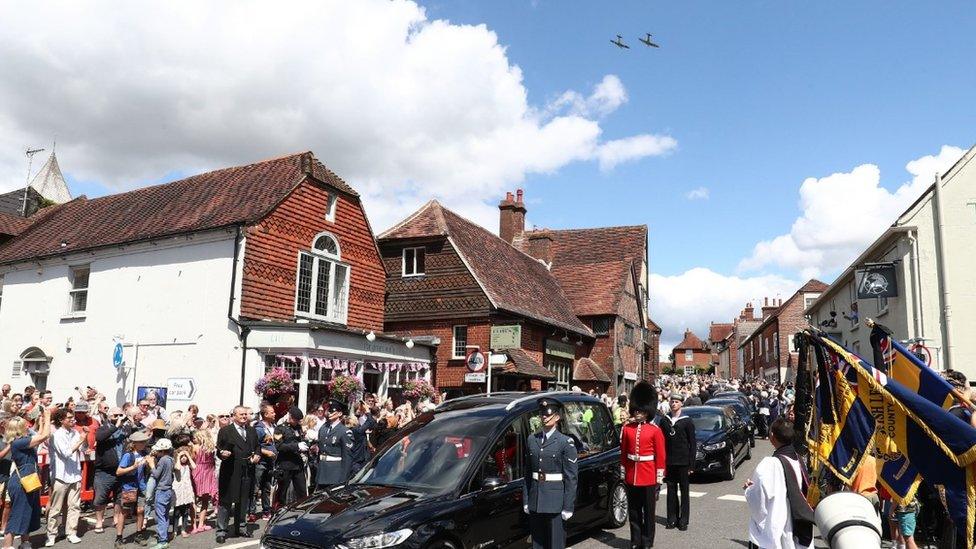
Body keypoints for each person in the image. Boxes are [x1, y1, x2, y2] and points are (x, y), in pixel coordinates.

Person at [744, 418, 814, 549]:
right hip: (798, 522)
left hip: (778, 522)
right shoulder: (798, 459)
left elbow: (758, 499)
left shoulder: (770, 464)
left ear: (772, 437)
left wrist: (748, 489)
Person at [522, 397, 578, 549]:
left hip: (556, 502)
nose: (544, 417)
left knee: (555, 544)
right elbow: (528, 473)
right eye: (542, 413)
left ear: (557, 417)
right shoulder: (532, 440)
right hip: (536, 500)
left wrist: (568, 506)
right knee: (537, 544)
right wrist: (526, 500)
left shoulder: (565, 442)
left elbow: (571, 478)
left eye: (548, 413)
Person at [620, 382, 666, 549]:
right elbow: (624, 453)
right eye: (636, 410)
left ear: (648, 412)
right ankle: (635, 541)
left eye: (641, 411)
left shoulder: (655, 431)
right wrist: (624, 472)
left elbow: (660, 456)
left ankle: (647, 542)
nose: (638, 413)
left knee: (648, 513)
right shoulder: (627, 429)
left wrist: (659, 478)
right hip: (632, 475)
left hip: (649, 475)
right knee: (634, 512)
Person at [3, 409, 51, 549]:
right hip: (21, 482)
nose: (27, 426)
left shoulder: (20, 441)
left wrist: (42, 421)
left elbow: (40, 435)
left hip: (28, 480)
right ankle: (7, 546)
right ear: (18, 428)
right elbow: (44, 436)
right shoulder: (19, 442)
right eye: (24, 425)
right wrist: (48, 417)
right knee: (18, 514)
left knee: (28, 512)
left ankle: (25, 543)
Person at [215, 406, 260, 544]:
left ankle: (241, 527)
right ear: (233, 416)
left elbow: (257, 446)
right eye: (241, 414)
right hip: (230, 471)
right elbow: (219, 449)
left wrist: (257, 455)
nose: (244, 416)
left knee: (244, 500)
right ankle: (221, 531)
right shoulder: (225, 431)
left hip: (247, 470)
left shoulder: (252, 431)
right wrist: (222, 454)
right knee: (226, 501)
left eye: (246, 414)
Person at [46, 408, 85, 546]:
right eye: (69, 418)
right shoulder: (56, 435)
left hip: (75, 474)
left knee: (74, 506)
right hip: (60, 475)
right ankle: (51, 534)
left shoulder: (75, 432)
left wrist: (83, 441)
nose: (73, 420)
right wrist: (80, 441)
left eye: (72, 417)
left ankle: (71, 532)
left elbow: (83, 449)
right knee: (56, 508)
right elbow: (66, 453)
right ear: (61, 420)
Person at [660, 392, 695, 531]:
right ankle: (671, 518)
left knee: (684, 491)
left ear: (681, 404)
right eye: (672, 401)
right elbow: (661, 442)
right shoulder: (664, 420)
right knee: (671, 490)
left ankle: (683, 520)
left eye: (676, 402)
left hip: (683, 461)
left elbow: (693, 443)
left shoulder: (687, 421)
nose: (673, 404)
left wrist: (692, 464)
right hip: (669, 461)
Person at [93, 407, 130, 533]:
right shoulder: (104, 427)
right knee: (100, 497)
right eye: (115, 415)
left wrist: (129, 420)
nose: (119, 417)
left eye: (121, 415)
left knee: (119, 497)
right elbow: (99, 437)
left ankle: (116, 518)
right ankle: (99, 521)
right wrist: (115, 426)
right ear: (109, 416)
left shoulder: (125, 428)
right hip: (105, 471)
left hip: (121, 469)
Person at [115, 431, 150, 548]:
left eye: (144, 441)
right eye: (141, 442)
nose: (144, 444)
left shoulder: (145, 454)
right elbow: (119, 472)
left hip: (142, 486)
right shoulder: (128, 455)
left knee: (141, 511)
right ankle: (119, 538)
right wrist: (133, 467)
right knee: (124, 512)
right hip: (129, 487)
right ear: (134, 443)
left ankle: (138, 534)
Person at [274, 407, 308, 508]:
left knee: (302, 490)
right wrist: (296, 446)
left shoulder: (298, 428)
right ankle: (278, 510)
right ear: (290, 416)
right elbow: (279, 446)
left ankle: (302, 510)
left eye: (298, 420)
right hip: (285, 464)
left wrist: (307, 445)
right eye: (295, 419)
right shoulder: (280, 428)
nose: (296, 422)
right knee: (282, 491)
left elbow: (302, 440)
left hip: (297, 464)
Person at [316, 400, 354, 490]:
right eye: (329, 411)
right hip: (322, 471)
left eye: (332, 411)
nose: (329, 413)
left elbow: (347, 457)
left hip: (335, 474)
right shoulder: (323, 428)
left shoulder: (344, 432)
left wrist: (343, 479)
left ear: (340, 413)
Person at [248, 403, 276, 521]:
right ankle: (251, 512)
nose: (274, 414)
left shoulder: (274, 426)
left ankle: (266, 511)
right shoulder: (258, 428)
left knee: (267, 487)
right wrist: (265, 452)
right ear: (265, 414)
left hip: (270, 463)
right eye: (272, 412)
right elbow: (254, 445)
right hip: (260, 463)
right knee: (255, 488)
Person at [190, 429, 218, 534]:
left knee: (194, 500)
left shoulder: (195, 447)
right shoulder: (211, 448)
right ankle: (201, 524)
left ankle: (194, 525)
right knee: (205, 500)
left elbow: (192, 459)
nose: (193, 439)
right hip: (209, 473)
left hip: (197, 472)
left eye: (195, 437)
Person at [149, 438, 175, 549]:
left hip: (162, 490)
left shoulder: (163, 460)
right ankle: (163, 537)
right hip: (168, 490)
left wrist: (151, 464)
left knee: (160, 516)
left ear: (162, 450)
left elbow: (156, 474)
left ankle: (162, 540)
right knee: (165, 515)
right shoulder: (171, 459)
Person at [171, 447, 196, 539]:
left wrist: (189, 456)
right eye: (182, 456)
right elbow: (177, 467)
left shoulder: (188, 465)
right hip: (178, 490)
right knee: (176, 512)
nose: (184, 458)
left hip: (186, 490)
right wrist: (178, 457)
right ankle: (174, 531)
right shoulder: (176, 464)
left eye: (185, 456)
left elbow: (194, 466)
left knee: (185, 511)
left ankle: (183, 529)